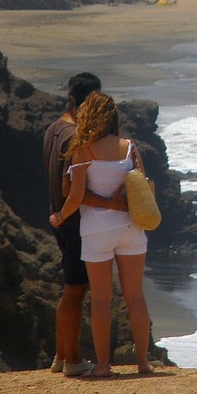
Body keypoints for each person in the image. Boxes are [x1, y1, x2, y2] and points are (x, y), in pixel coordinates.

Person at [50, 91, 152, 377]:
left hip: (97, 232)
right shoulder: (129, 147)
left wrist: (60, 216)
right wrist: (117, 199)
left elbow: (75, 195)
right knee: (136, 298)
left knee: (101, 300)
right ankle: (143, 362)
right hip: (131, 227)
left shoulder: (84, 150)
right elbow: (140, 184)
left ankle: (104, 365)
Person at [44, 72, 126, 377]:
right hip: (74, 221)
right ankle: (72, 359)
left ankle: (61, 355)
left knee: (72, 288)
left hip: (60, 219)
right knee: (75, 291)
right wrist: (109, 203)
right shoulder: (74, 137)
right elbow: (73, 189)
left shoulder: (53, 129)